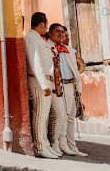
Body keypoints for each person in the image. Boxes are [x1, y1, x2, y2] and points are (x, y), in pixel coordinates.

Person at [47, 23, 88, 157]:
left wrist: (78, 87)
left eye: (64, 34)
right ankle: (60, 144)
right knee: (61, 116)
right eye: (59, 33)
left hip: (70, 85)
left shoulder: (70, 50)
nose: (64, 36)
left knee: (71, 117)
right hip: (59, 85)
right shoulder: (50, 48)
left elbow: (76, 70)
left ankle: (72, 145)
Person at [24, 12, 60, 158]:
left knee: (44, 116)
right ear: (42, 24)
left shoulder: (38, 38)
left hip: (44, 81)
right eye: (45, 25)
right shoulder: (31, 38)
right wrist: (44, 85)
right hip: (39, 82)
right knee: (40, 115)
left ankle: (45, 145)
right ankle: (40, 147)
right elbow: (35, 63)